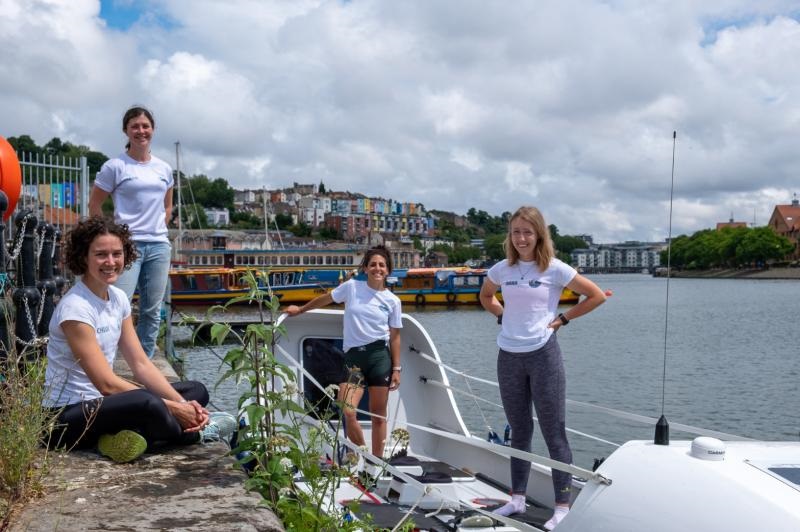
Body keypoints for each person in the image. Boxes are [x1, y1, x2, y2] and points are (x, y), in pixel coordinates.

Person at [44, 216, 235, 463]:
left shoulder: (118, 298)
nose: (111, 262)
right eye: (101, 254)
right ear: (84, 257)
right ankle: (195, 435)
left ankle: (121, 437)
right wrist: (172, 408)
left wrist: (184, 404)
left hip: (102, 406)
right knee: (148, 402)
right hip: (66, 417)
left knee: (195, 390)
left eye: (117, 254)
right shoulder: (76, 309)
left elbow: (141, 364)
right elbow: (106, 384)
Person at [479, 206, 606, 530]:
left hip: (543, 353)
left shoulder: (554, 269)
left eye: (527, 232)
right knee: (519, 430)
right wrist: (501, 316)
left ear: (539, 235)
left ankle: (562, 506)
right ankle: (517, 498)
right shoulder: (501, 269)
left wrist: (562, 319)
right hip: (508, 354)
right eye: (516, 232)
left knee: (554, 432)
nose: (521, 238)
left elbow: (594, 296)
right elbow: (486, 296)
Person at [285, 245, 402, 464]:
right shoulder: (351, 288)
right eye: (373, 264)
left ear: (388, 270)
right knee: (348, 410)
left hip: (379, 357)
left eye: (382, 265)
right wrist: (300, 310)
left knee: (378, 416)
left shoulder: (392, 301)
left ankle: (377, 464)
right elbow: (325, 299)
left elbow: (395, 337)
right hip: (354, 358)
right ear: (366, 268)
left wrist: (397, 368)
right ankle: (361, 454)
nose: (378, 268)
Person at [89, 106, 173, 359]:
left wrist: (161, 225)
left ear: (153, 130)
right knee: (118, 304)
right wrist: (109, 237)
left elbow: (168, 205)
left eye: (145, 126)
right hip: (127, 245)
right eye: (135, 126)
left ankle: (145, 361)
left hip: (158, 244)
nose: (141, 131)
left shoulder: (164, 169)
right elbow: (95, 205)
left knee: (151, 309)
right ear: (126, 130)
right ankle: (107, 361)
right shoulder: (115, 166)